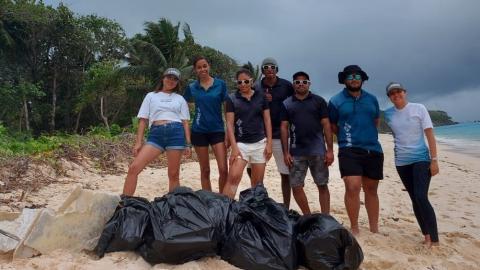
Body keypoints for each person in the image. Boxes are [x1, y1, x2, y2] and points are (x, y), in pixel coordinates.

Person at [328, 65, 383, 235]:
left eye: (357, 77)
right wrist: (347, 136)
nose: (354, 79)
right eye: (350, 77)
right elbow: (332, 125)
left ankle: (374, 228)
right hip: (349, 148)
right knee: (352, 187)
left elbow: (376, 120)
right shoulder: (336, 101)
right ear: (344, 80)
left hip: (373, 149)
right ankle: (354, 227)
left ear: (362, 80)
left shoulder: (372, 99)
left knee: (371, 189)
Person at [384, 82, 440, 247]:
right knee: (414, 199)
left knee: (421, 197)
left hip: (421, 159)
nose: (396, 95)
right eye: (392, 93)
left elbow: (429, 133)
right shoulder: (387, 114)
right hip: (401, 162)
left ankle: (435, 240)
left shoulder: (419, 108)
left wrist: (434, 160)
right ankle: (426, 236)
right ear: (389, 97)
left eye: (398, 91)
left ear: (405, 92)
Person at [122, 68, 191, 196]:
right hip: (155, 135)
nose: (171, 80)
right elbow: (143, 120)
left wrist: (188, 143)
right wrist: (138, 142)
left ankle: (173, 207)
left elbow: (185, 122)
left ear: (177, 83)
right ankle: (124, 203)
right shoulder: (151, 96)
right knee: (134, 168)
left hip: (176, 134)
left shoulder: (180, 99)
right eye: (169, 77)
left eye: (175, 79)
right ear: (163, 78)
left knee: (173, 174)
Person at [280, 71, 334, 214]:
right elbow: (284, 128)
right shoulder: (287, 103)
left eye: (304, 82)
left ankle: (325, 217)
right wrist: (285, 152)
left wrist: (330, 150)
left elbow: (326, 125)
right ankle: (308, 216)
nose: (301, 84)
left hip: (317, 150)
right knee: (296, 186)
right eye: (297, 82)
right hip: (296, 151)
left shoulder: (319, 101)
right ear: (293, 85)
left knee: (322, 184)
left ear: (309, 84)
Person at [222, 69, 273, 199]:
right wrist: (234, 147)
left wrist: (269, 144)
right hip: (241, 144)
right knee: (233, 178)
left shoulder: (261, 96)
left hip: (260, 144)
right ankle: (224, 211)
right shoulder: (232, 99)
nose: (243, 84)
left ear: (251, 81)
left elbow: (267, 120)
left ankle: (253, 211)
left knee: (257, 184)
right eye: (240, 82)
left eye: (246, 81)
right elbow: (229, 123)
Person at [183, 56, 228, 192]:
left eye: (205, 66)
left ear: (209, 67)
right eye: (199, 67)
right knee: (205, 170)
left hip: (217, 130)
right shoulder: (192, 87)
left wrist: (229, 132)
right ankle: (208, 201)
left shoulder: (220, 84)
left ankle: (223, 200)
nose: (202, 69)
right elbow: (181, 104)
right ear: (195, 70)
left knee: (223, 169)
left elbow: (227, 109)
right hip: (199, 131)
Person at [254, 57, 294, 207]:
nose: (269, 69)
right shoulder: (257, 87)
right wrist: (262, 99)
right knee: (253, 170)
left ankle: (286, 206)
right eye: (266, 67)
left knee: (285, 173)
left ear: (277, 69)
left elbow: (295, 104)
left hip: (281, 134)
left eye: (272, 67)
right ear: (263, 71)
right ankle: (260, 200)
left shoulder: (287, 86)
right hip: (260, 134)